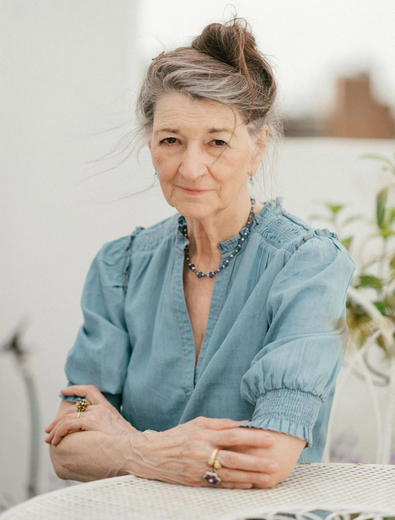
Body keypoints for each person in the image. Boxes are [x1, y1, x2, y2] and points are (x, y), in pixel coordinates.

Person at [45, 18, 356, 490]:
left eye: (217, 142)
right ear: (150, 144)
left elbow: (267, 457)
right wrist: (144, 449)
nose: (191, 167)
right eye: (172, 140)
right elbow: (78, 410)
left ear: (256, 149)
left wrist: (122, 443)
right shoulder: (120, 267)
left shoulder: (307, 264)